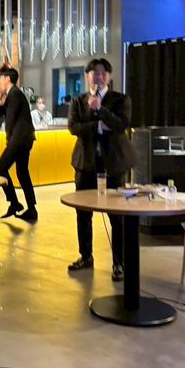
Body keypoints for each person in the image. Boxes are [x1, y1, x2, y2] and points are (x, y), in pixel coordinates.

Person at [67, 58, 135, 281]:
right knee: (82, 213)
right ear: (87, 76)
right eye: (95, 73)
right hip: (85, 163)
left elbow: (121, 125)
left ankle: (119, 263)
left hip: (113, 165)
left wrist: (101, 110)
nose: (100, 76)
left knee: (117, 216)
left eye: (104, 73)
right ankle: (86, 256)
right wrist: (98, 126)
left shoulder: (121, 99)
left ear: (109, 77)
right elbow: (73, 127)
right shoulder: (78, 101)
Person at [0, 68, 37, 221]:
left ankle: (14, 202)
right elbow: (3, 112)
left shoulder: (15, 94)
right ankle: (31, 208)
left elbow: (10, 119)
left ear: (7, 79)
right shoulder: (14, 94)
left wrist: (9, 140)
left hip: (19, 140)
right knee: (22, 172)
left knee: (0, 168)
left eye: (0, 78)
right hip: (24, 139)